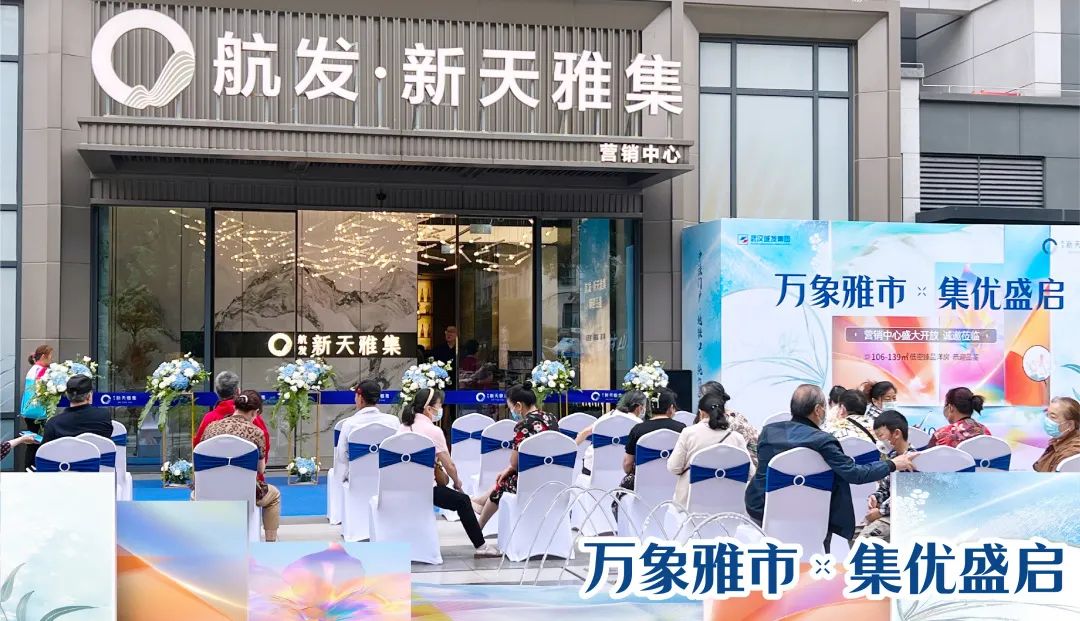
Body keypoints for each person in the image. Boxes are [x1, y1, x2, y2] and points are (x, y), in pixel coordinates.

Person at [744, 384, 916, 548]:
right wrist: (892, 464)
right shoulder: (822, 440)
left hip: (762, 509)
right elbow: (854, 474)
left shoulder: (768, 432)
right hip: (812, 515)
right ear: (818, 410)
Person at [399, 388, 500, 557]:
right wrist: (457, 482)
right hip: (426, 490)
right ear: (428, 409)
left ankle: (476, 505)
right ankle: (481, 546)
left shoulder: (403, 428)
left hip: (401, 487)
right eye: (440, 405)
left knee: (460, 499)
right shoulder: (433, 431)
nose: (441, 409)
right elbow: (449, 465)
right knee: (462, 501)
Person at [471, 382, 559, 531]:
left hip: (532, 480)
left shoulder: (523, 425)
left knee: (505, 482)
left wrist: (509, 469)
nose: (511, 411)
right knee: (508, 477)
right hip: (554, 475)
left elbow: (514, 462)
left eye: (510, 407)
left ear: (519, 406)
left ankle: (479, 526)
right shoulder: (551, 418)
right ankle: (480, 502)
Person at [201, 391, 281, 542]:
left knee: (194, 495)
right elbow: (260, 469)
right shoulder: (256, 432)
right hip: (244, 493)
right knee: (274, 496)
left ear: (235, 407)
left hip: (211, 491)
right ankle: (270, 543)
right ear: (254, 412)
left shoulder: (211, 428)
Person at [667, 391, 751, 508]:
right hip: (729, 504)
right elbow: (750, 472)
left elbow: (674, 467)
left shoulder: (689, 433)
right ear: (723, 413)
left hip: (690, 505)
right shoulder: (737, 438)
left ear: (701, 413)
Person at [859, 410, 916, 542]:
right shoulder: (892, 458)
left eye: (881, 436)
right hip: (889, 512)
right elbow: (885, 488)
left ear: (896, 433)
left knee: (864, 541)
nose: (880, 441)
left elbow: (905, 496)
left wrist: (880, 512)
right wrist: (876, 496)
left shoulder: (914, 459)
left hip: (902, 516)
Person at [193, 371, 271, 457]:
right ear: (238, 391)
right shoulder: (251, 415)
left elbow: (198, 447)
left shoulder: (209, 419)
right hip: (248, 465)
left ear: (217, 392)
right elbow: (265, 444)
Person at [335, 380, 399, 482]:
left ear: (360, 398)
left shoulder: (349, 423)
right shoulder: (393, 421)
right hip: (387, 479)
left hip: (356, 479)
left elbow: (342, 455)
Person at [576, 390, 646, 477]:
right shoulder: (638, 424)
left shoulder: (607, 416)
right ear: (639, 408)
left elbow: (585, 432)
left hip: (593, 468)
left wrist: (571, 450)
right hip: (624, 472)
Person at [622, 388, 686, 481]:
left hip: (644, 484)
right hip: (675, 485)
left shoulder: (638, 429)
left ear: (649, 408)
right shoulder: (682, 429)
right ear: (671, 408)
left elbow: (627, 464)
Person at [699, 381, 759, 465]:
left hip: (744, 467)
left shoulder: (735, 422)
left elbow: (730, 453)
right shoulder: (706, 418)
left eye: (701, 397)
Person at [41, 375, 113, 443]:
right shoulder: (104, 415)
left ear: (67, 395)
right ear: (89, 395)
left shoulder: (53, 424)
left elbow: (44, 450)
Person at [19, 345, 53, 470]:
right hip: (39, 413)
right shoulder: (42, 371)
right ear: (43, 356)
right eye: (50, 356)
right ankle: (32, 468)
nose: (51, 359)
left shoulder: (33, 369)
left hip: (30, 411)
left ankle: (29, 468)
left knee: (32, 443)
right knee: (37, 443)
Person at [1033, 396, 1080, 472]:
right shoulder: (1057, 441)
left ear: (1070, 425)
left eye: (1053, 417)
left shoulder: (1071, 452)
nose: (1047, 420)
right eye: (1047, 414)